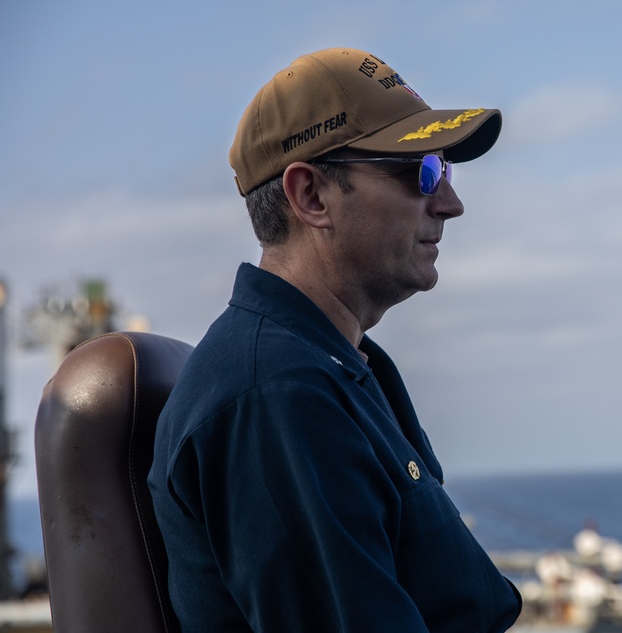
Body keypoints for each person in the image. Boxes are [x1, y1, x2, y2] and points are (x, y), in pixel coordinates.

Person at [148, 47, 521, 632]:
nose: (450, 203)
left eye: (445, 170)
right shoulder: (280, 397)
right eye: (422, 171)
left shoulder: (334, 366)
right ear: (311, 196)